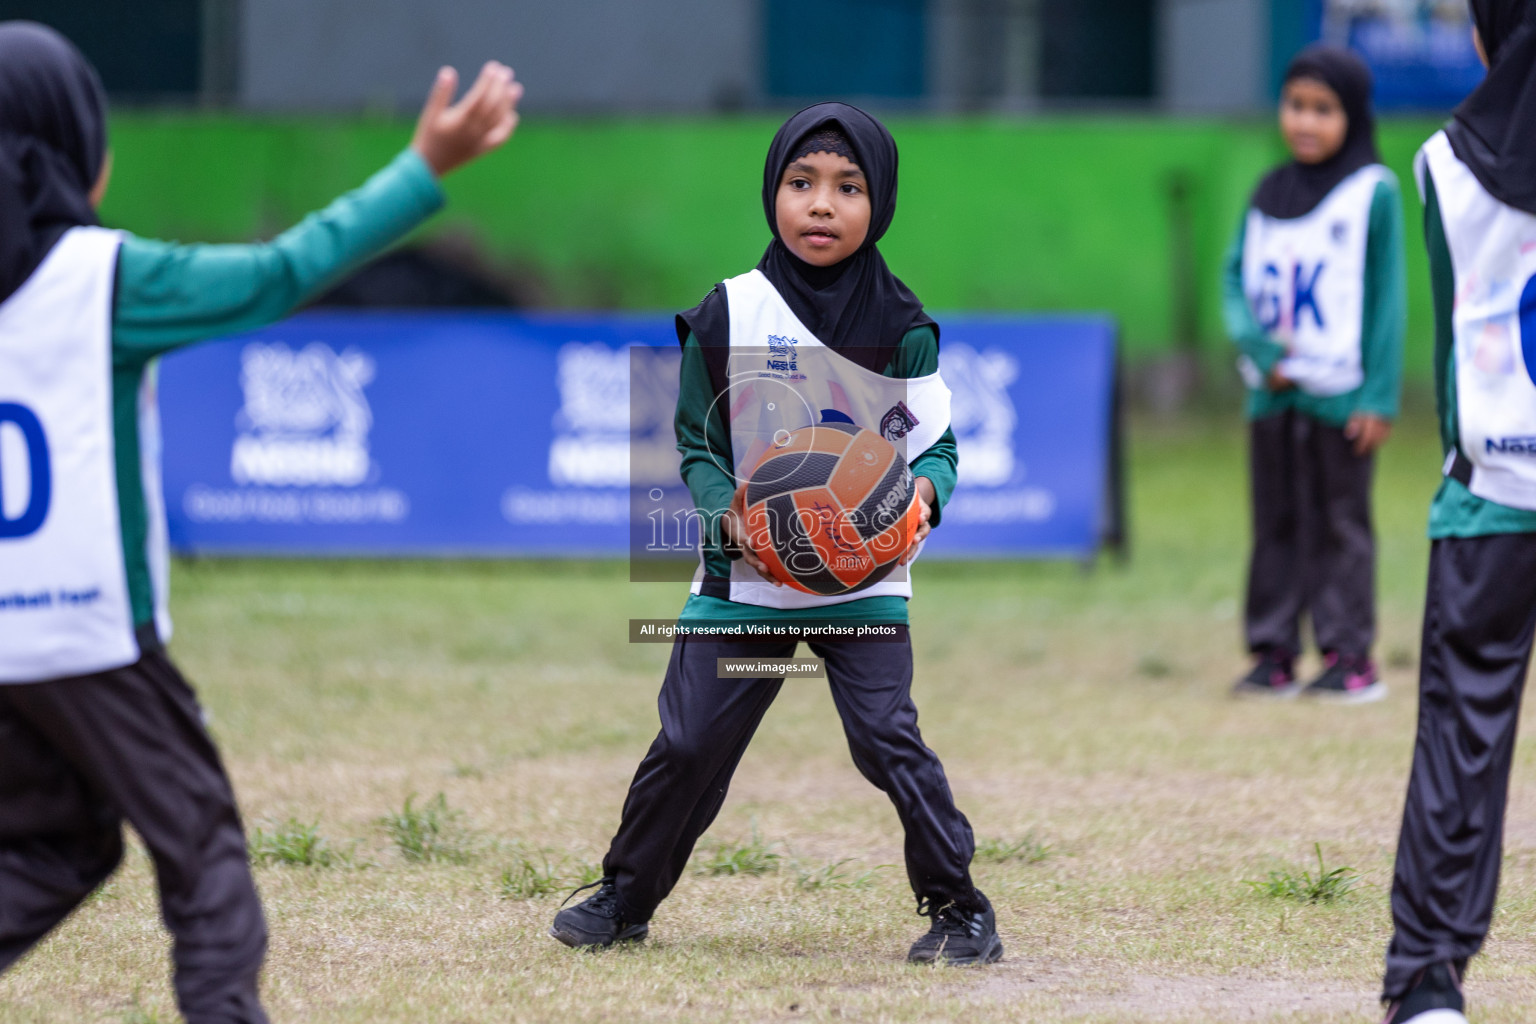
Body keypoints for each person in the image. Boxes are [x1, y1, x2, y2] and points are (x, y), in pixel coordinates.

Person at [0, 23, 520, 1023]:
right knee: (201, 853)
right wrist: (423, 168)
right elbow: (278, 273)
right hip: (92, 635)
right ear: (74, 149)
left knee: (60, 841)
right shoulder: (100, 281)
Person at [550, 102, 1000, 965]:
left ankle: (960, 910)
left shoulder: (901, 326)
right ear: (773, 193)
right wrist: (729, 511)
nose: (821, 205)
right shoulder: (729, 314)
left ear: (882, 204)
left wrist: (923, 502)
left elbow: (937, 445)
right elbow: (695, 442)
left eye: (847, 187)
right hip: (746, 583)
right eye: (802, 184)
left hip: (861, 587)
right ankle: (625, 898)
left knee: (885, 741)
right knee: (689, 743)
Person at [1381, 2, 1536, 1020]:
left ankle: (1427, 979)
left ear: (1490, 38)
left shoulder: (1443, 163)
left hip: (1492, 488)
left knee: (1463, 734)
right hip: (1490, 502)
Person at [1223, 44, 1406, 703]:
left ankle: (1349, 656)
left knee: (1339, 525)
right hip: (1272, 396)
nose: (1305, 122)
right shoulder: (1267, 192)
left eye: (1323, 110)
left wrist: (1379, 397)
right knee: (1274, 522)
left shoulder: (1373, 193)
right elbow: (1233, 280)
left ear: (1351, 116)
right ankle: (1273, 651)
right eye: (1295, 106)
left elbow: (1388, 302)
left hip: (1342, 395)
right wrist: (1262, 353)